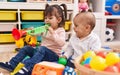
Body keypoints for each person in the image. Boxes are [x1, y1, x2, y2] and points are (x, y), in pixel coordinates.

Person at [0, 4, 67, 75]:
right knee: (26, 48)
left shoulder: (60, 30)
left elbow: (61, 43)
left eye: (50, 18)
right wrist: (32, 32)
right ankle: (12, 64)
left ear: (59, 20)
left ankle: (27, 68)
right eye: (45, 18)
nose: (47, 20)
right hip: (41, 53)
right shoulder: (45, 29)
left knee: (42, 48)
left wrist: (53, 33)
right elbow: (37, 34)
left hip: (53, 56)